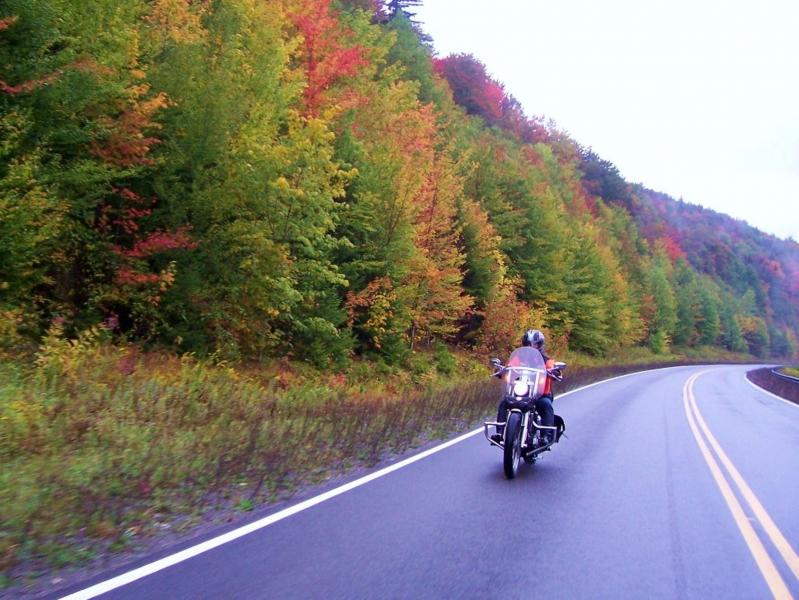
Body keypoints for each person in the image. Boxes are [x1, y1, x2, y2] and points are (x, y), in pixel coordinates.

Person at [491, 329, 557, 445]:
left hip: (540, 394)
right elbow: (510, 366)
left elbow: (553, 368)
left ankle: (546, 436)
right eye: (528, 344)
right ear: (524, 344)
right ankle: (499, 433)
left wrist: (555, 372)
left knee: (546, 405)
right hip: (521, 391)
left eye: (535, 344)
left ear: (540, 345)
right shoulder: (518, 358)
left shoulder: (547, 361)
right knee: (504, 403)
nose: (531, 346)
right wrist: (502, 370)